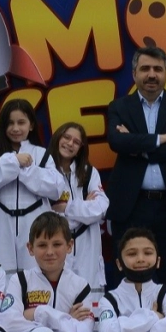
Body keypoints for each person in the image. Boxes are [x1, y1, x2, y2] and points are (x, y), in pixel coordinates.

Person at [106, 47, 166, 287]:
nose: (151, 74)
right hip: (131, 205)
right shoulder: (119, 106)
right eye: (145, 68)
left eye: (158, 69)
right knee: (128, 273)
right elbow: (117, 142)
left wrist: (136, 145)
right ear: (134, 73)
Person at [0, 99, 63, 275]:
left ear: (31, 125)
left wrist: (26, 170)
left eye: (21, 122)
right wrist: (11, 162)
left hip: (34, 224)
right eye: (10, 123)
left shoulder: (41, 154)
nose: (15, 128)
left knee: (35, 276)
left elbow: (56, 188)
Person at [48, 122, 109, 288]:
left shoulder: (89, 172)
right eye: (66, 137)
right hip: (56, 249)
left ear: (81, 148)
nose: (70, 144)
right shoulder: (44, 172)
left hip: (87, 250)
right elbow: (47, 217)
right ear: (57, 138)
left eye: (76, 142)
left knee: (88, 301)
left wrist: (67, 208)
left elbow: (100, 209)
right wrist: (84, 210)